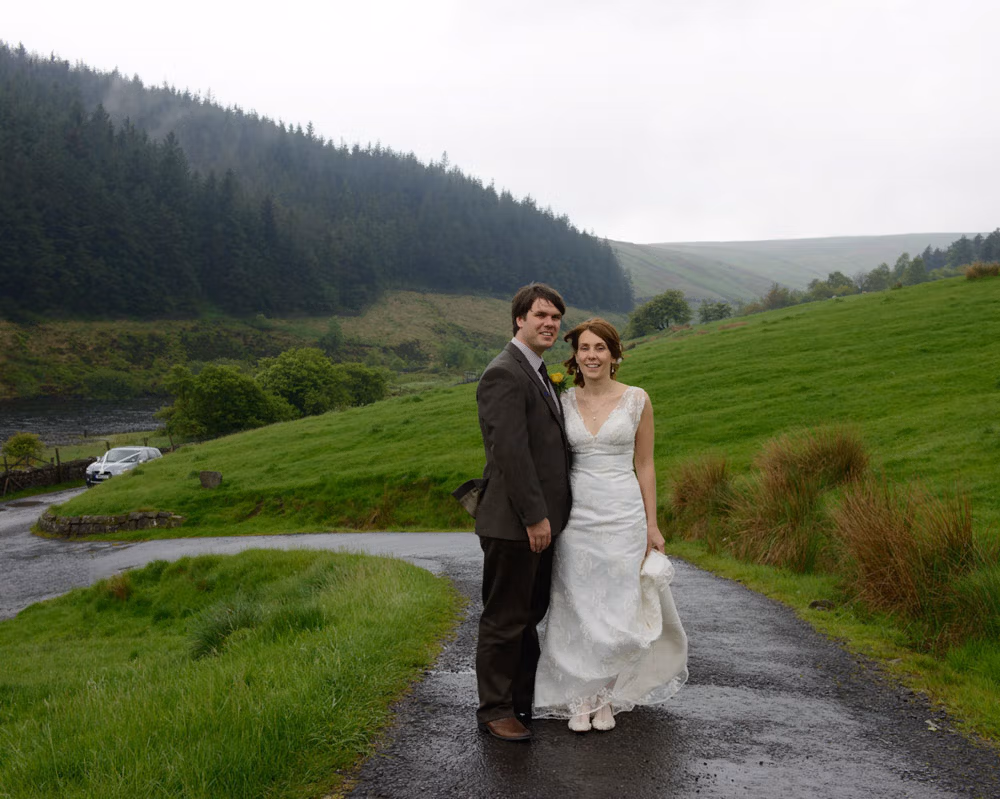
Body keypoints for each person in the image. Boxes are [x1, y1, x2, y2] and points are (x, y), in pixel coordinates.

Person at [533, 318, 688, 733]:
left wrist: (653, 525)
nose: (591, 356)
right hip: (578, 515)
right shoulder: (562, 399)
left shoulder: (637, 399)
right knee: (579, 604)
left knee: (619, 605)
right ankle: (580, 696)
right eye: (584, 348)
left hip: (624, 514)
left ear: (615, 354)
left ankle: (607, 697)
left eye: (600, 348)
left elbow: (645, 464)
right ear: (575, 356)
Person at [474, 283, 573, 742]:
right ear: (519, 319)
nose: (550, 323)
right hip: (515, 523)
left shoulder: (536, 370)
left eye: (556, 317)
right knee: (504, 618)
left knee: (528, 614)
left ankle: (520, 701)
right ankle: (495, 711)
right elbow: (511, 454)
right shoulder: (504, 373)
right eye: (541, 315)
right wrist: (535, 516)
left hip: (538, 523)